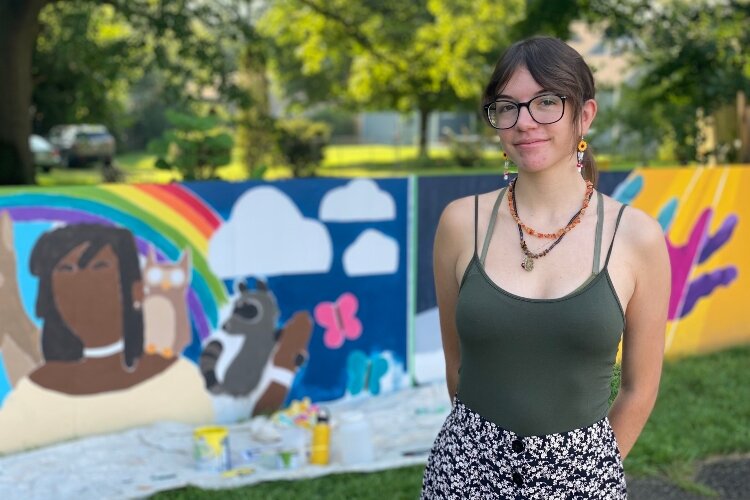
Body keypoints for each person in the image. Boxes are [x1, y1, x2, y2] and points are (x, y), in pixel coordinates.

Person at [421, 37, 670, 499]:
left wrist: (586, 468)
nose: (525, 122)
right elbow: (457, 366)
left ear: (585, 115)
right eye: (508, 107)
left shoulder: (637, 238)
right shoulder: (460, 223)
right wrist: (484, 455)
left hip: (583, 478)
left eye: (546, 102)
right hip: (463, 472)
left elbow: (640, 388)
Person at [0, 224, 213, 453]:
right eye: (66, 270)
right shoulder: (34, 395)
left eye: (98, 267)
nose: (82, 284)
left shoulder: (178, 379)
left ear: (137, 290)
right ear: (51, 297)